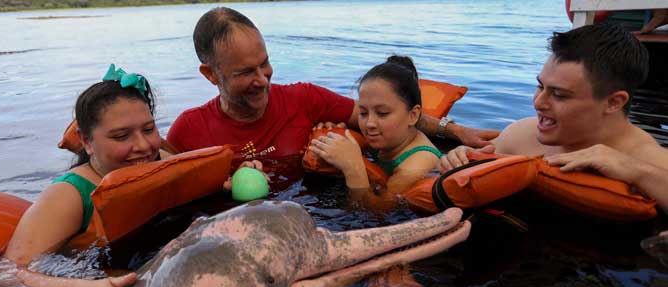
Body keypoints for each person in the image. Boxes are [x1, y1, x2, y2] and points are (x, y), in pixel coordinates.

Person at [166, 7, 498, 165]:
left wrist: (454, 131)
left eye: (264, 63)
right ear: (210, 75)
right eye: (244, 73)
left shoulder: (303, 99)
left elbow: (384, 118)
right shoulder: (187, 132)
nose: (262, 79)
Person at [3, 65, 168, 287]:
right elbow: (6, 276)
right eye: (121, 136)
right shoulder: (69, 195)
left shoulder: (160, 159)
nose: (143, 146)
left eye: (149, 129)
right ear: (86, 141)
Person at [439, 23, 668, 213]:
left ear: (613, 102)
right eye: (540, 86)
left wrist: (638, 173)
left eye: (559, 94)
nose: (538, 102)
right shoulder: (520, 136)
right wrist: (456, 160)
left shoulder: (652, 163)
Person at [309, 55, 441, 198]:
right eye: (363, 113)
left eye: (382, 113)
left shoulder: (417, 165)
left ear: (413, 115)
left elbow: (377, 213)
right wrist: (334, 132)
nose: (369, 123)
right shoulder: (388, 139)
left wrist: (353, 167)